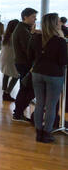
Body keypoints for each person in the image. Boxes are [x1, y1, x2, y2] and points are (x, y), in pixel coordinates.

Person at [29, 13, 67, 143]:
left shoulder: (36, 38)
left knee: (39, 103)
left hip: (37, 73)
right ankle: (47, 133)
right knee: (51, 105)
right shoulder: (60, 41)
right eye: (58, 21)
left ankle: (38, 132)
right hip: (54, 75)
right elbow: (63, 61)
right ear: (55, 24)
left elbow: (31, 55)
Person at [12, 7, 39, 122]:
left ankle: (18, 112)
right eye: (33, 17)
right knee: (27, 89)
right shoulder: (23, 30)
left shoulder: (23, 28)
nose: (35, 19)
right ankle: (18, 113)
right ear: (25, 17)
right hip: (24, 63)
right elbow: (29, 49)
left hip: (22, 62)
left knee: (25, 88)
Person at [0, 19, 20, 102]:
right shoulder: (15, 36)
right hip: (12, 58)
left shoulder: (5, 35)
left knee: (6, 74)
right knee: (16, 76)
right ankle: (7, 93)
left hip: (4, 57)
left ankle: (4, 91)